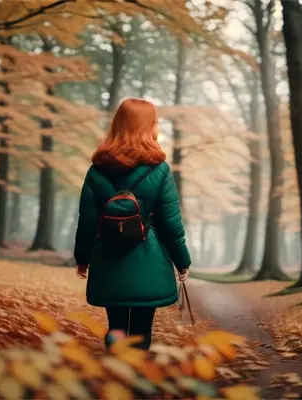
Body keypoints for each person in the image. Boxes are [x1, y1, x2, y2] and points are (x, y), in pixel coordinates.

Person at [73, 98, 191, 351]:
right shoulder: (159, 170)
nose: (157, 127)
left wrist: (82, 258)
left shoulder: (97, 170)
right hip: (148, 258)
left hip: (108, 258)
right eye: (155, 122)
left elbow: (87, 221)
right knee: (141, 329)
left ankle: (115, 373)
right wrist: (183, 261)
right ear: (147, 127)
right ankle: (135, 377)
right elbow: (171, 223)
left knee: (115, 326)